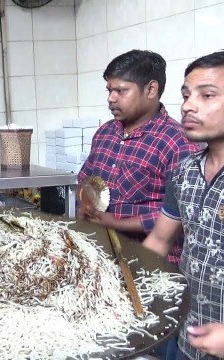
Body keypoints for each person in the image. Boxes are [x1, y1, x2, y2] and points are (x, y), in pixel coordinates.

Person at [142, 50, 224, 359]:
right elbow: (159, 240)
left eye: (207, 95)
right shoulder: (185, 172)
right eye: (186, 95)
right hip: (187, 340)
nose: (188, 106)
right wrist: (122, 287)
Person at [77, 49, 199, 259]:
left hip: (153, 263)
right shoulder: (105, 132)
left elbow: (185, 211)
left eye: (121, 91)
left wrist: (117, 223)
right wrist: (84, 205)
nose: (111, 99)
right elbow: (85, 177)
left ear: (151, 89)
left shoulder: (177, 141)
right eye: (109, 90)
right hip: (104, 254)